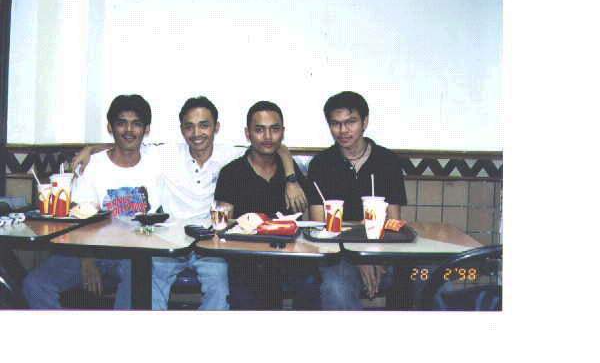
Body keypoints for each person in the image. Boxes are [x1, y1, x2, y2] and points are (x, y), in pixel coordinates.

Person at [72, 96, 308, 310]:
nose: (197, 133)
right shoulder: (168, 155)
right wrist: (91, 150)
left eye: (204, 125)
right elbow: (128, 143)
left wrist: (291, 178)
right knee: (148, 288)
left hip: (210, 245)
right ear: (182, 130)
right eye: (189, 126)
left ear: (216, 127)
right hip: (169, 242)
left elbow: (275, 146)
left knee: (220, 290)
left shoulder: (230, 155)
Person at [23, 94, 161, 309]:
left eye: (136, 124)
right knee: (35, 284)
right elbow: (79, 218)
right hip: (91, 251)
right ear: (110, 127)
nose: (129, 130)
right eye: (121, 123)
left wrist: (91, 147)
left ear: (147, 129)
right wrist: (87, 260)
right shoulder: (93, 165)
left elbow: (195, 146)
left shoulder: (156, 161)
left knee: (139, 278)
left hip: (135, 254)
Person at [214, 101, 320, 310]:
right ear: (248, 134)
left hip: (288, 255)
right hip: (248, 257)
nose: (268, 136)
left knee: (311, 283)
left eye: (274, 129)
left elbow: (310, 222)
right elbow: (223, 226)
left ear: (283, 132)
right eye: (259, 130)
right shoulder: (231, 173)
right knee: (249, 292)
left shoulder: (291, 173)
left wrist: (291, 180)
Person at [307, 91, 407, 310]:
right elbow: (320, 226)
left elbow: (393, 222)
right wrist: (359, 257)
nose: (343, 130)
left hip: (382, 255)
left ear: (365, 122)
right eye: (336, 124)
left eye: (350, 122)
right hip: (338, 257)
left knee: (425, 275)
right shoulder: (321, 164)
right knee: (336, 287)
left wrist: (372, 258)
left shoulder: (387, 161)